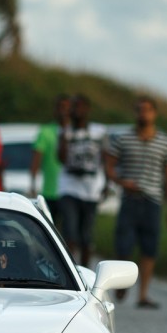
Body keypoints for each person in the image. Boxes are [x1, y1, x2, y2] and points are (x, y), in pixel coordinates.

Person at [104, 95, 167, 308]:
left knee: (149, 248)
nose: (143, 114)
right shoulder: (123, 139)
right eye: (139, 110)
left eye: (147, 110)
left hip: (153, 200)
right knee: (123, 245)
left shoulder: (165, 142)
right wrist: (121, 181)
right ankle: (122, 283)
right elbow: (109, 166)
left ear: (154, 113)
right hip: (130, 198)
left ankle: (143, 294)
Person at [56, 94, 108, 265]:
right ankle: (70, 270)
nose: (75, 110)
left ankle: (84, 273)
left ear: (87, 109)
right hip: (69, 187)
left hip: (91, 189)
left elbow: (105, 159)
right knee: (70, 232)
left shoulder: (99, 132)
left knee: (86, 237)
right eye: (73, 107)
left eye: (78, 106)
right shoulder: (65, 131)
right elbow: (61, 158)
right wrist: (65, 131)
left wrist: (107, 184)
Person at [31, 94, 69, 218]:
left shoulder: (76, 132)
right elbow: (36, 161)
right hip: (50, 192)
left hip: (70, 192)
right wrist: (33, 185)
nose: (62, 111)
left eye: (66, 107)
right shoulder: (45, 131)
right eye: (60, 107)